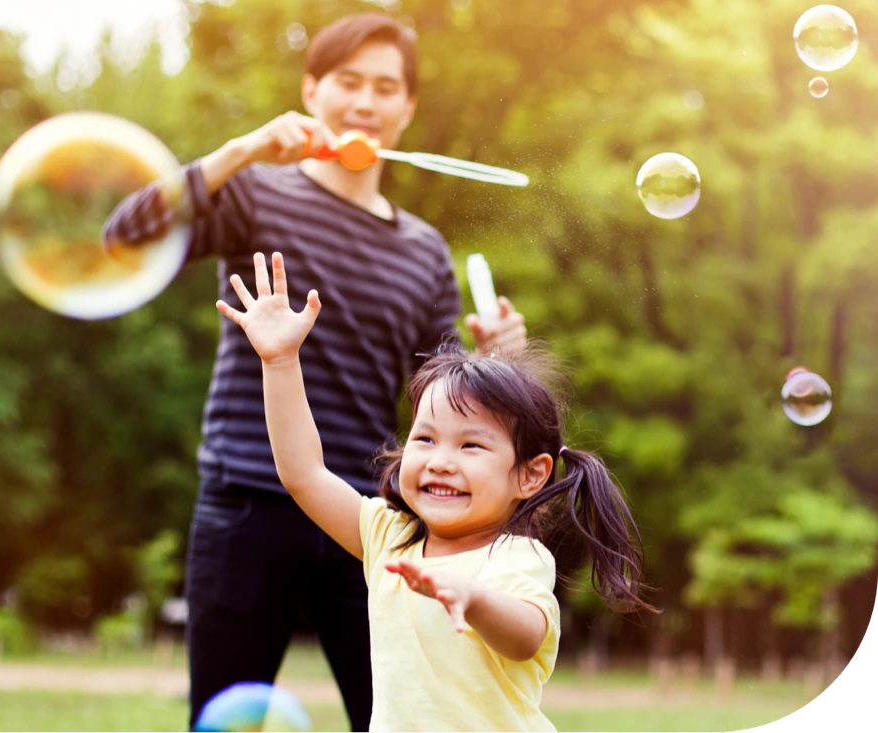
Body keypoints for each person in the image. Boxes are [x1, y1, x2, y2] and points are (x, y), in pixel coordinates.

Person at [102, 13, 527, 731]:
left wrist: (492, 363)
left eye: (385, 87)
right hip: (244, 506)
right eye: (348, 82)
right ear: (311, 90)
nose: (365, 101)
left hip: (365, 522)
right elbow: (125, 236)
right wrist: (242, 150)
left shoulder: (424, 251)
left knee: (397, 718)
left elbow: (440, 397)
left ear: (407, 108)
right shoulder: (256, 194)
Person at [215, 251, 657, 732]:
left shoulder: (515, 557)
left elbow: (527, 636)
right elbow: (304, 475)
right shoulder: (390, 536)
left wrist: (476, 597)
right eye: (425, 438)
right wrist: (280, 362)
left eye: (471, 445)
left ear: (530, 476)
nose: (440, 460)